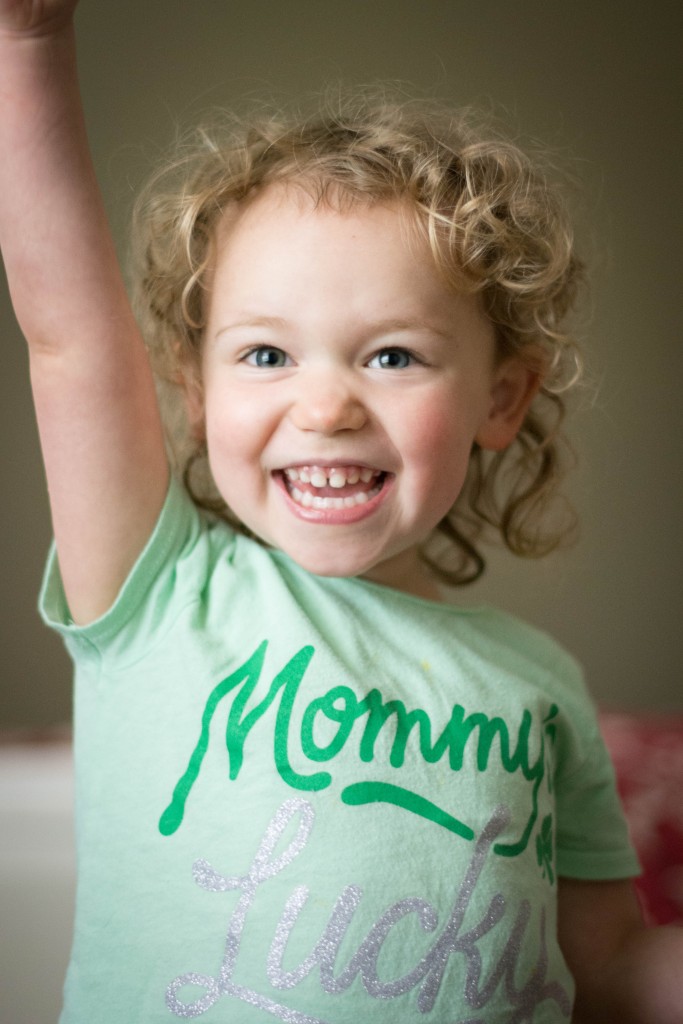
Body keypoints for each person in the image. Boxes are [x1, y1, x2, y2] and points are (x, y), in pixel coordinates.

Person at [1, 3, 681, 1023]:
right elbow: (69, 337)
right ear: (195, 389)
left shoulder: (538, 685)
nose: (324, 406)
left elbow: (607, 968)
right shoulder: (163, 594)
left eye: (392, 354)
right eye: (265, 354)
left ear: (499, 399)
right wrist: (26, 44)